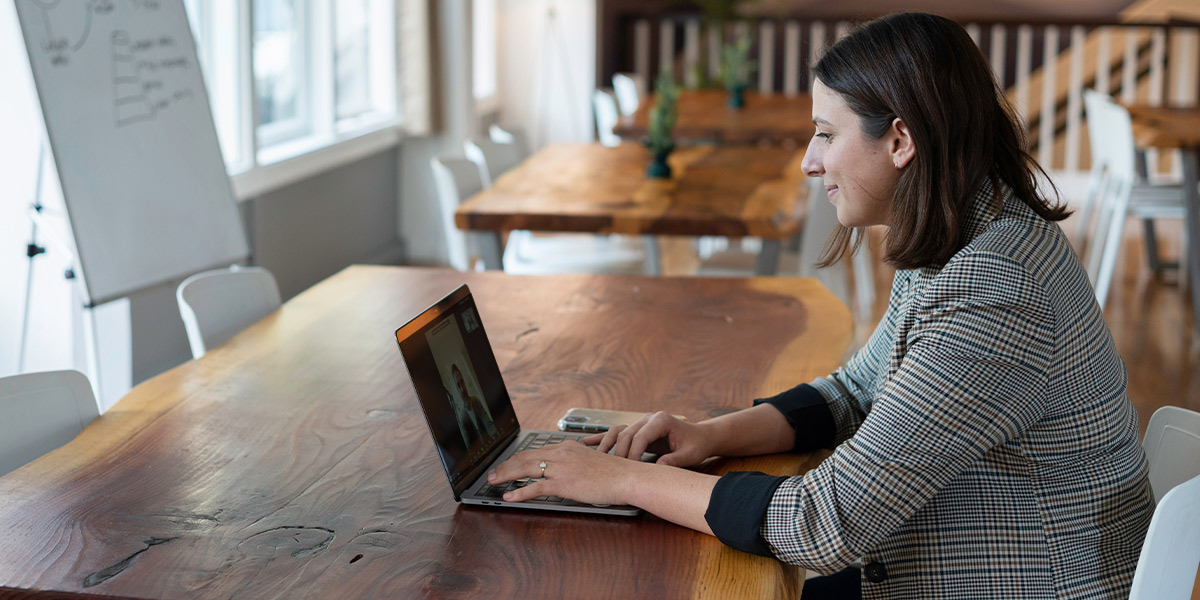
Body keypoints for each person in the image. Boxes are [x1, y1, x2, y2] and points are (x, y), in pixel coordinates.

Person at [488, 12, 1154, 600]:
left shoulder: (999, 286)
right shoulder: (968, 235)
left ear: (900, 140)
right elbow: (854, 391)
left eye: (825, 134)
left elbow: (822, 524)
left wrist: (617, 483)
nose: (809, 162)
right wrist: (711, 434)